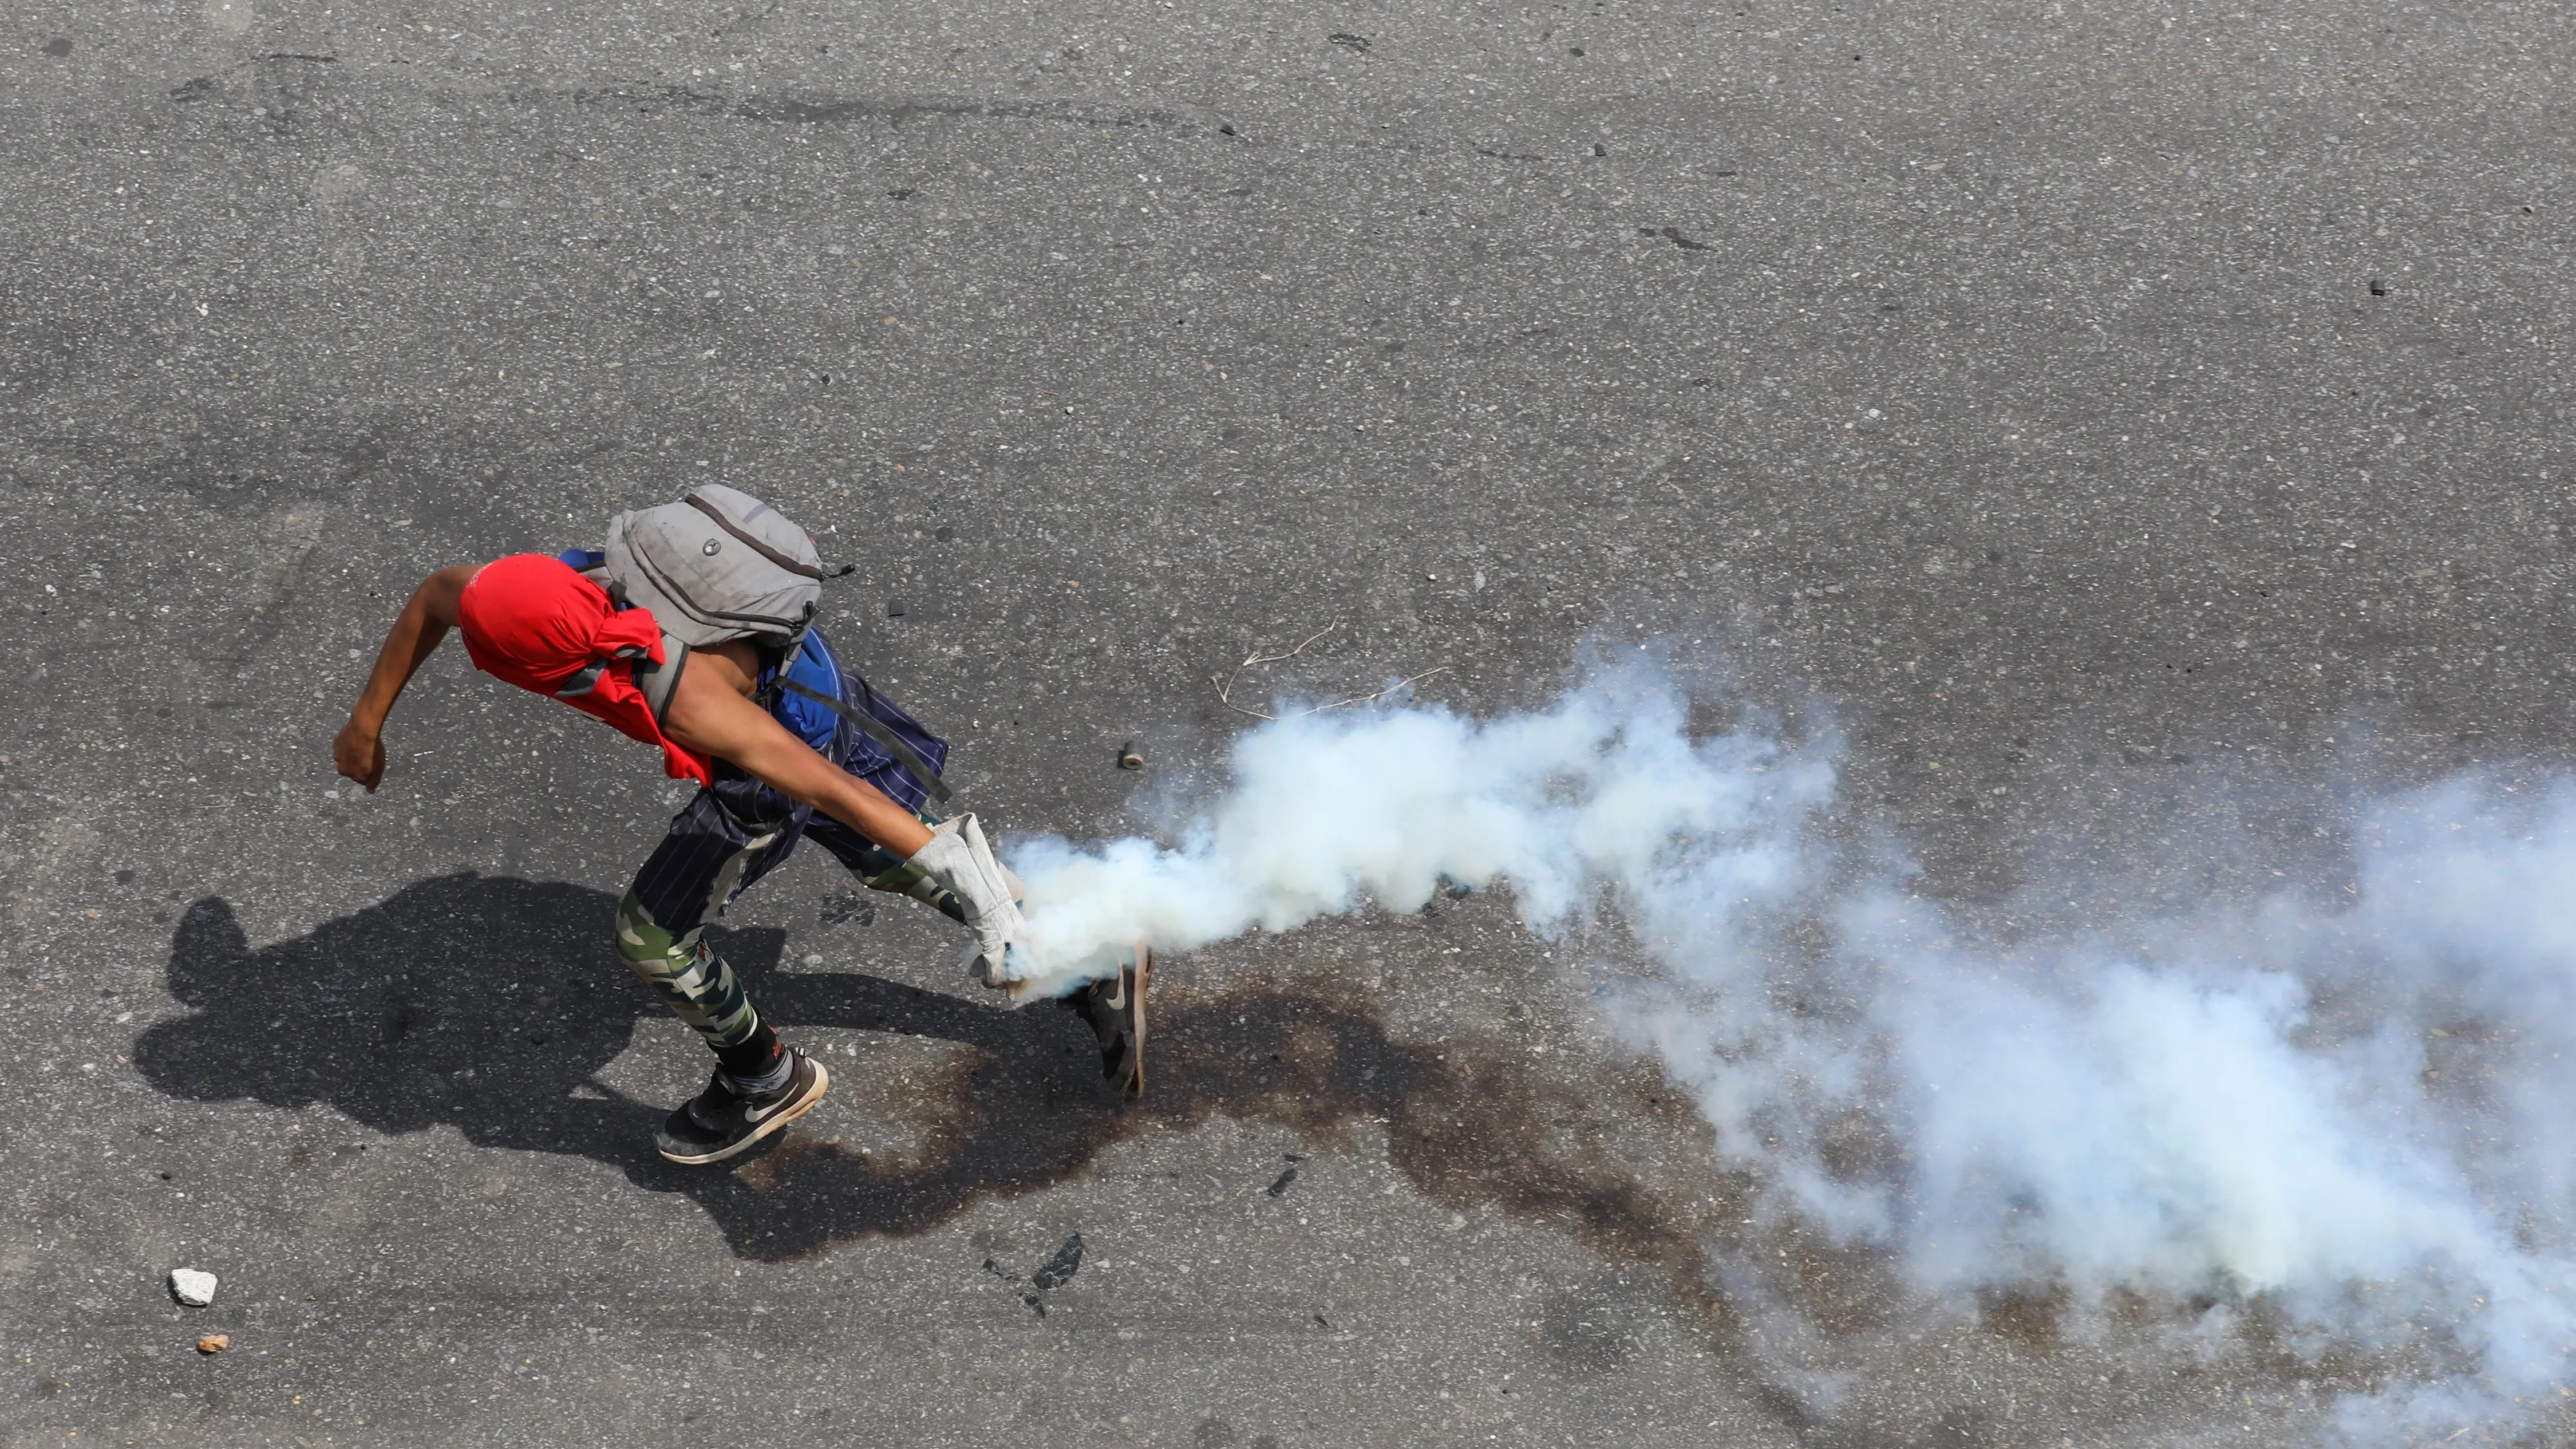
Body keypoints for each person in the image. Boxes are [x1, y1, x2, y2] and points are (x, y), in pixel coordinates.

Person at [332, 486, 1031, 1165]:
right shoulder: (536, 587)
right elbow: (436, 597)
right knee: (873, 854)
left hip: (785, 736)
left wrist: (979, 890)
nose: (479, 641)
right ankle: (1079, 940)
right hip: (794, 675)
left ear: (556, 662)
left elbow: (832, 788)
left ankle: (766, 1079)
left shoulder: (684, 697)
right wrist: (365, 723)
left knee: (653, 938)